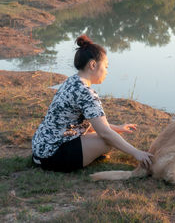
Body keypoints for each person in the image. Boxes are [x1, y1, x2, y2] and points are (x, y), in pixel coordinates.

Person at [31, 34, 152, 172]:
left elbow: (91, 124)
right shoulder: (86, 93)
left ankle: (86, 153)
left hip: (40, 149)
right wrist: (137, 153)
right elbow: (104, 132)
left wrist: (118, 127)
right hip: (54, 157)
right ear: (93, 65)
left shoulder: (72, 81)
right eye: (105, 66)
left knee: (109, 136)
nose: (106, 71)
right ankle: (82, 157)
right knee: (107, 142)